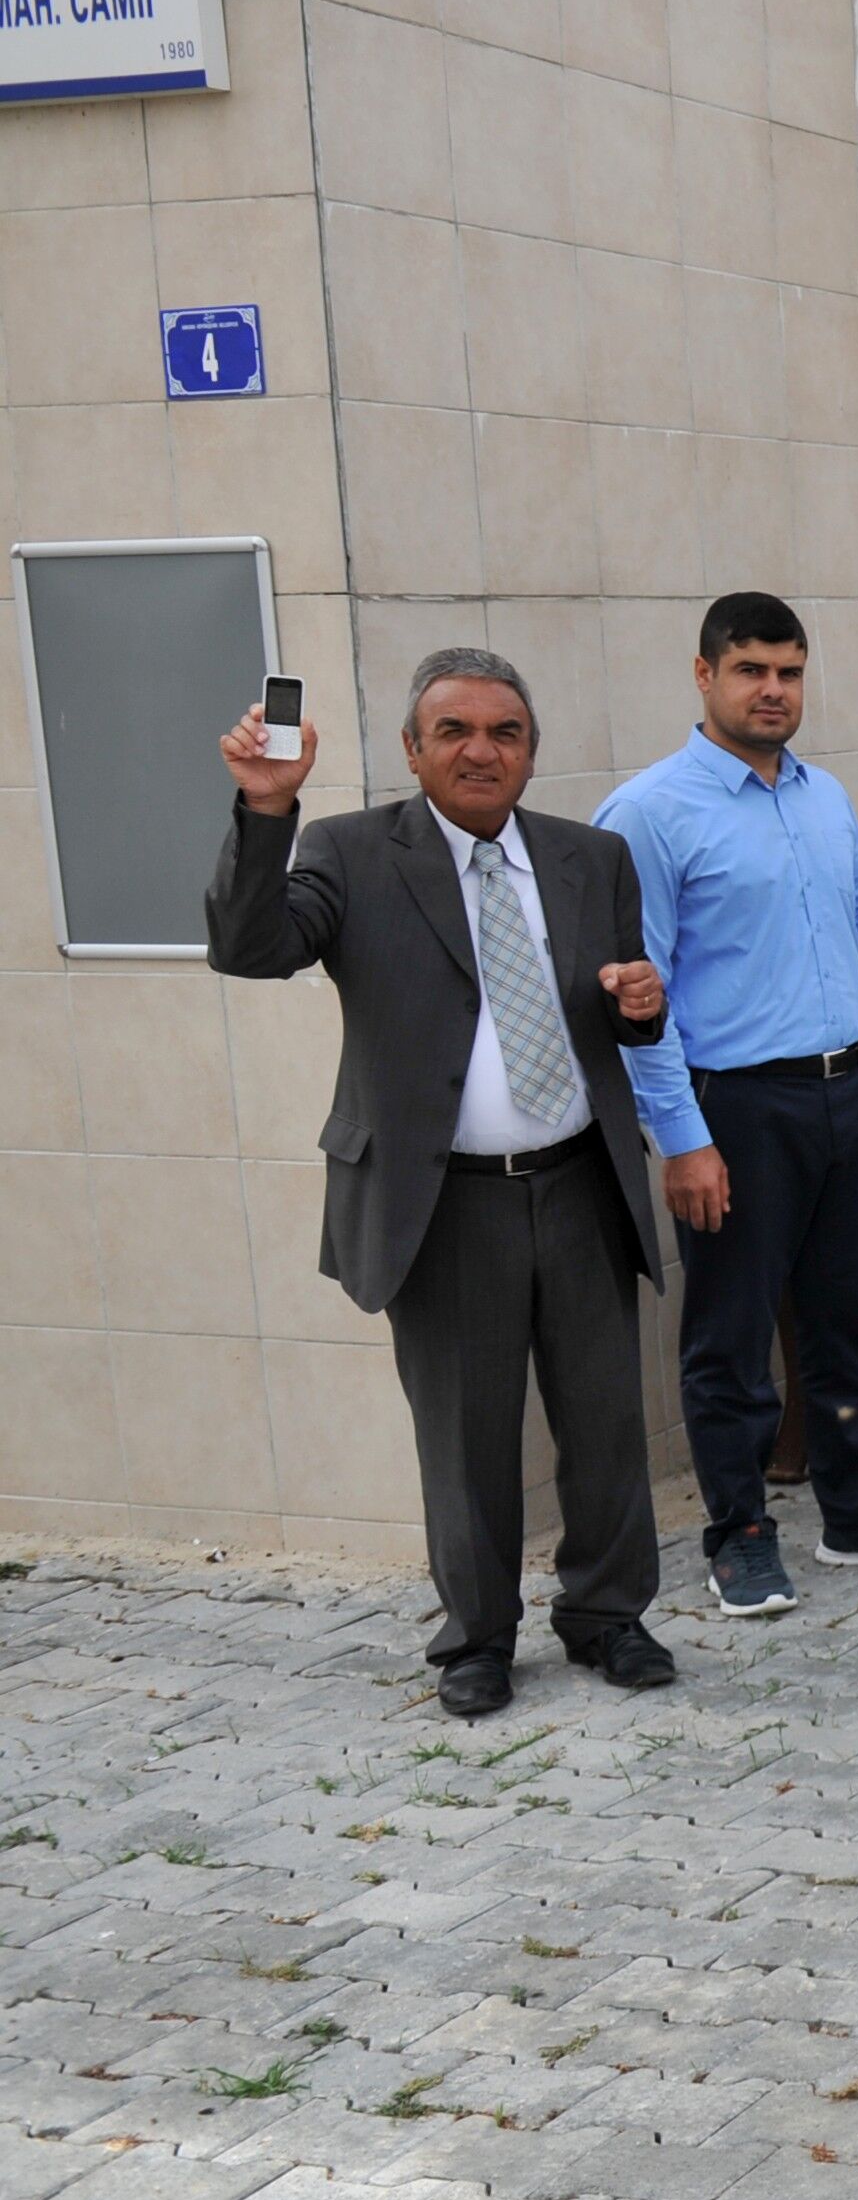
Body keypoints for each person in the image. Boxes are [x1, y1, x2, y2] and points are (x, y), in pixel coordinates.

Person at [207, 651, 677, 1716]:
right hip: (443, 1202)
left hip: (580, 1185)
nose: (481, 750)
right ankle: (478, 1638)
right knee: (466, 1436)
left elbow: (620, 1010)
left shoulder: (591, 858)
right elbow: (251, 948)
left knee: (605, 1422)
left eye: (504, 732)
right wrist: (265, 809)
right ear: (413, 751)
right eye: (454, 731)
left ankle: (609, 1615)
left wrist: (639, 1006)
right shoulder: (349, 852)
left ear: (530, 751)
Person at [602, 594, 858, 1615]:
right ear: (705, 676)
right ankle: (739, 1532)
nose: (773, 691)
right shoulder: (649, 813)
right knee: (733, 1336)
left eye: (788, 671)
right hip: (738, 1106)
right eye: (751, 671)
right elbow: (639, 998)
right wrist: (682, 1138)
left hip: (851, 1089)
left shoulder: (822, 796)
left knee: (853, 1319)